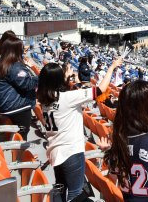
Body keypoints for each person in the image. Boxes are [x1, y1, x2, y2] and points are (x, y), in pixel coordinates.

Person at [37, 57, 122, 201]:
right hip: (71, 152)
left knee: (61, 189)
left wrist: (65, 76)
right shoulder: (68, 98)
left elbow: (59, 91)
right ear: (58, 81)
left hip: (55, 151)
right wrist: (112, 67)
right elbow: (100, 90)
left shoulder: (44, 100)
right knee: (75, 194)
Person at [0, 37, 38, 140]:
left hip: (5, 104)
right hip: (15, 107)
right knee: (23, 132)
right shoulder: (14, 66)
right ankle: (21, 150)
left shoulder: (5, 63)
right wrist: (39, 77)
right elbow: (27, 84)